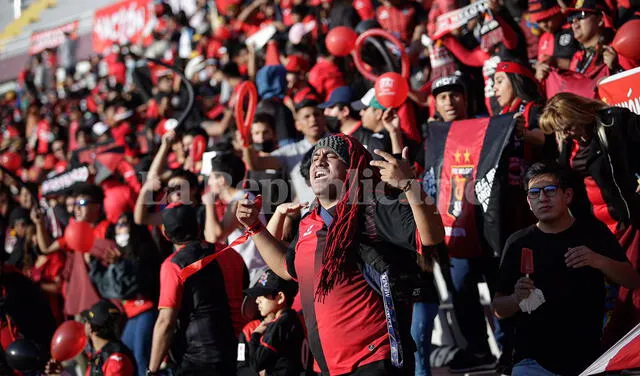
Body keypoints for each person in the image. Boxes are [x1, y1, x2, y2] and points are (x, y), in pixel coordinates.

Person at [237, 134, 445, 375]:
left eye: (331, 156)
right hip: (328, 368)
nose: (320, 162)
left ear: (352, 169)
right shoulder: (308, 222)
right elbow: (285, 267)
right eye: (315, 157)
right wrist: (254, 227)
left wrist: (410, 185)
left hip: (374, 361)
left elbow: (432, 236)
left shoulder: (372, 208)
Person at [492, 161, 640, 376]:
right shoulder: (518, 243)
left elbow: (632, 281)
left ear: (568, 196)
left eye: (550, 190)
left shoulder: (593, 232)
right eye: (534, 192)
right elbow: (498, 308)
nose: (542, 198)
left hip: (590, 361)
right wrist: (516, 298)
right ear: (528, 201)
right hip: (532, 361)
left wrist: (597, 260)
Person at [539, 92, 640, 345]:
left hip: (629, 221)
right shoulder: (568, 143)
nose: (567, 133)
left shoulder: (615, 122)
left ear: (578, 112)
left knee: (630, 289)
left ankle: (621, 349)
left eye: (567, 127)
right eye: (560, 131)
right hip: (600, 230)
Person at [147, 203, 236, 376]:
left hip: (198, 359)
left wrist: (152, 370)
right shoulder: (229, 253)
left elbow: (166, 322)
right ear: (198, 226)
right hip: (238, 351)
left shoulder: (173, 265)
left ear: (165, 234)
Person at [241, 100, 327, 204]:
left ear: (324, 118)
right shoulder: (290, 152)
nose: (313, 119)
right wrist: (247, 143)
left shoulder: (342, 142)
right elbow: (256, 164)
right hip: (309, 217)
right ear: (298, 125)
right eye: (307, 117)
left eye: (316, 114)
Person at [204, 152, 266, 281]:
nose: (208, 182)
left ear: (221, 180)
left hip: (252, 272)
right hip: (250, 270)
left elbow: (213, 237)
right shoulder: (242, 196)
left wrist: (209, 205)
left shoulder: (240, 200)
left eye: (211, 177)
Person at [244, 269, 304, 376]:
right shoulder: (292, 318)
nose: (257, 300)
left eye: (262, 294)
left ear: (280, 297)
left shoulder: (281, 324)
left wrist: (255, 335)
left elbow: (256, 363)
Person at [80, 300, 136, 376]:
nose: (83, 324)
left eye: (86, 321)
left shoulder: (115, 361)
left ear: (90, 328)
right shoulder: (98, 355)